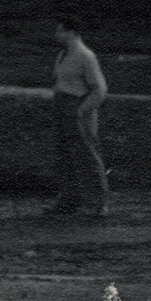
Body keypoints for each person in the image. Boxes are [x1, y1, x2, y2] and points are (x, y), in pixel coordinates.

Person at [45, 15, 110, 219]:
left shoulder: (86, 56)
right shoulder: (63, 55)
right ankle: (69, 200)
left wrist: (81, 111)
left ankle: (97, 203)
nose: (57, 35)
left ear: (71, 32)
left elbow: (99, 89)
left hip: (79, 106)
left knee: (86, 155)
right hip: (62, 106)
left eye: (60, 31)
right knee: (65, 155)